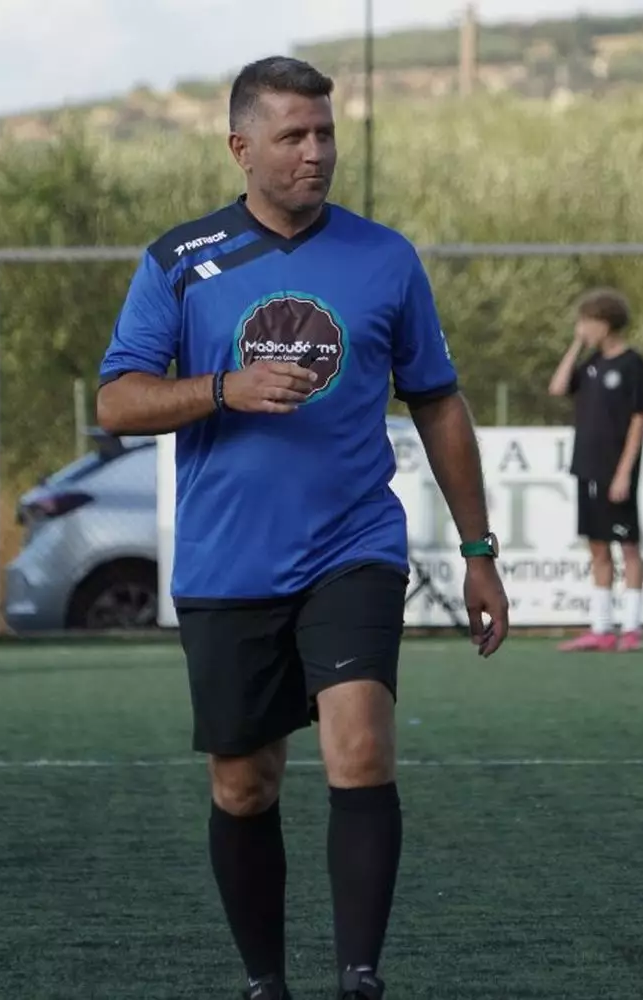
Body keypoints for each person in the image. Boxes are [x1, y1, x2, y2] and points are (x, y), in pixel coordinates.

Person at [96, 56, 510, 1000]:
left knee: (359, 749)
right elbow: (117, 402)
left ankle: (359, 976)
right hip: (228, 560)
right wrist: (221, 388)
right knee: (244, 786)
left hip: (353, 547)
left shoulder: (385, 258)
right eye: (292, 136)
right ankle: (265, 982)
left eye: (325, 133)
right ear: (241, 148)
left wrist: (479, 552)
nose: (315, 152)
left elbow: (438, 402)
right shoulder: (181, 260)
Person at [548, 288, 643, 653]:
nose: (582, 328)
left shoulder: (633, 364)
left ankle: (632, 629)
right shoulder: (590, 363)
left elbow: (639, 420)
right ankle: (602, 629)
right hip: (587, 467)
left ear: (605, 324)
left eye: (586, 323)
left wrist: (624, 472)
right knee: (597, 547)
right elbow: (558, 388)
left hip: (616, 470)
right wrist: (577, 345)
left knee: (628, 547)